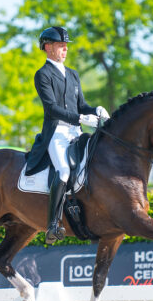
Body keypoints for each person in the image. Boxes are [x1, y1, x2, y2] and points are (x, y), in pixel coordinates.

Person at [25, 26, 110, 244]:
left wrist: (95, 111)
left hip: (75, 131)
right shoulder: (42, 74)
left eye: (65, 46)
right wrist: (81, 119)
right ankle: (53, 224)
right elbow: (51, 108)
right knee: (63, 171)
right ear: (47, 47)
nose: (65, 49)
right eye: (61, 46)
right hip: (56, 132)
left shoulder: (73, 74)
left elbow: (81, 105)